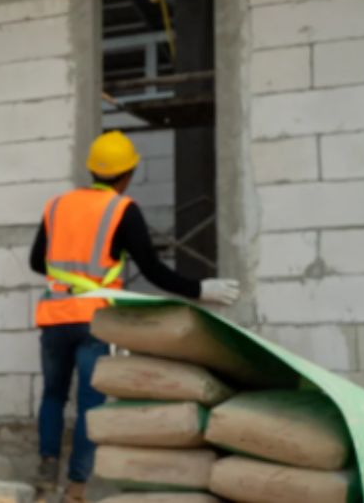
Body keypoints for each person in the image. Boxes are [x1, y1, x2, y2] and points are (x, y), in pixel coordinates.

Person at [27, 130, 239, 501]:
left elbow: (35, 261)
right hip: (95, 320)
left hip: (54, 316)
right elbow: (154, 270)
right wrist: (200, 290)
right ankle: (76, 486)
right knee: (90, 404)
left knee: (53, 396)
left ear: (92, 169)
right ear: (127, 174)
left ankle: (46, 469)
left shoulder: (56, 205)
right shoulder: (122, 210)